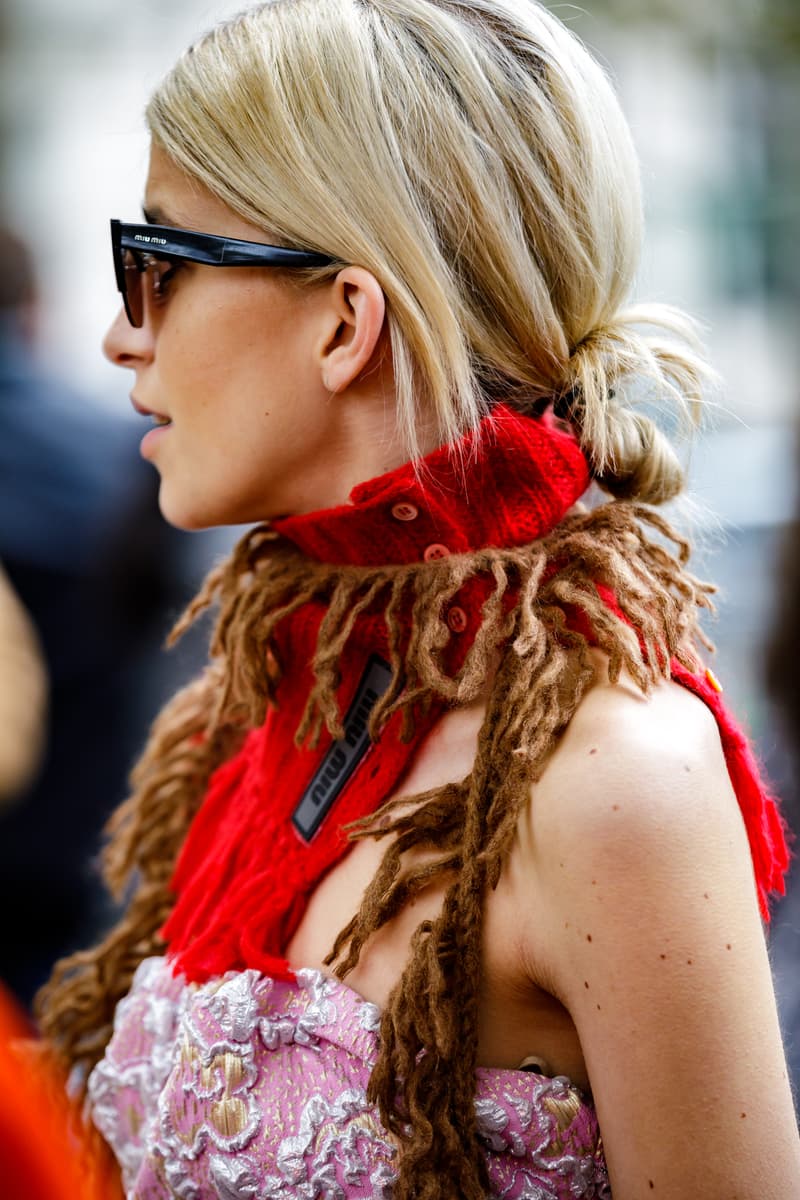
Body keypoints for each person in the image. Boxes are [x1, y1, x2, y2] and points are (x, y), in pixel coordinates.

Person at [38, 1, 800, 1196]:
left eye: (157, 266)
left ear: (345, 321)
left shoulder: (613, 775)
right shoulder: (286, 699)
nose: (116, 338)